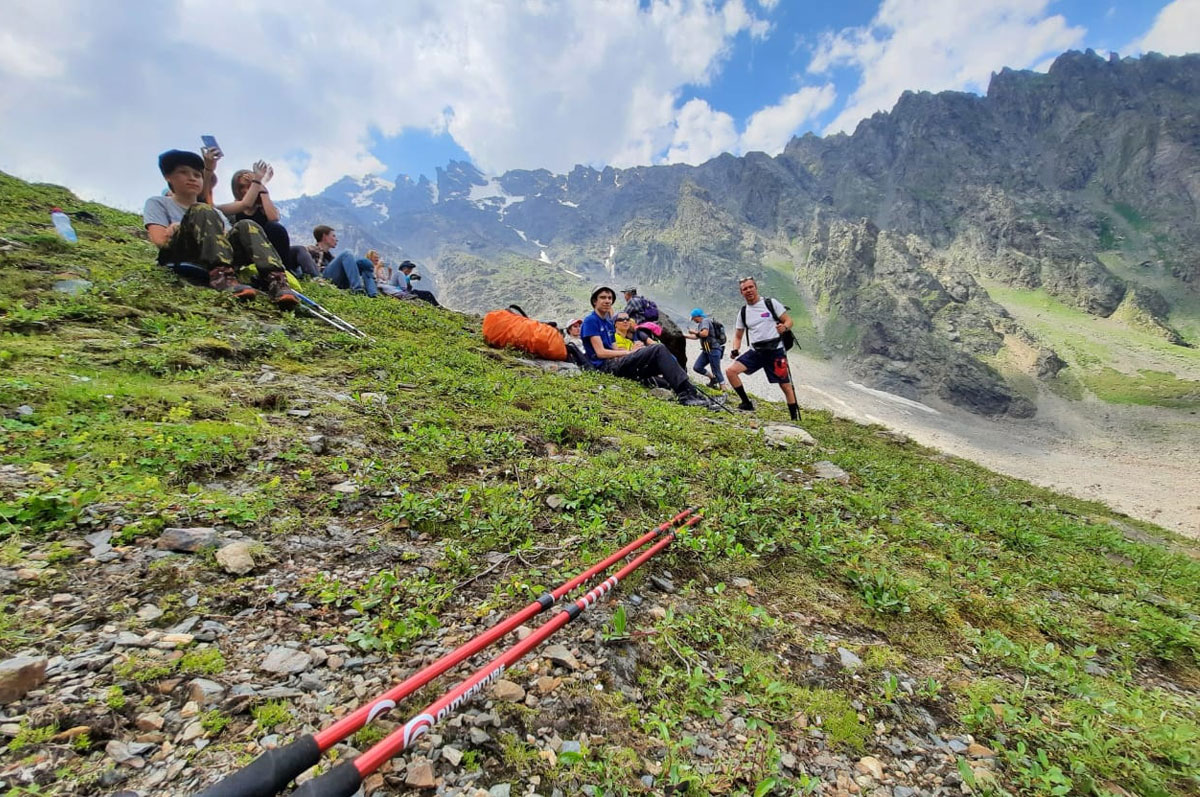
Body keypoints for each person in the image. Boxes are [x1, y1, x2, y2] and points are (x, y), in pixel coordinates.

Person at [143, 148, 297, 309]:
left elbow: (225, 239)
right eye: (183, 173)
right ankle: (222, 277)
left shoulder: (214, 212)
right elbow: (160, 240)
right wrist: (179, 228)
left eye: (197, 175)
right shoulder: (158, 202)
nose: (192, 178)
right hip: (180, 254)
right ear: (168, 177)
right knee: (202, 209)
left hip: (213, 254)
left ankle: (276, 281)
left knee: (247, 225)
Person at [580, 286, 710, 407]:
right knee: (658, 349)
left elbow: (614, 348)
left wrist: (633, 350)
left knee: (659, 359)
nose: (607, 301)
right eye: (603, 298)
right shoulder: (591, 321)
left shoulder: (608, 323)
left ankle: (691, 393)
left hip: (616, 362)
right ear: (594, 301)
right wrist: (628, 353)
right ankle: (685, 396)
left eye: (609, 298)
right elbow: (601, 353)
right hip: (605, 367)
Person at [726, 277, 799, 419]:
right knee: (731, 372)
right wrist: (735, 349)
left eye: (750, 287)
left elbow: (789, 320)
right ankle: (746, 403)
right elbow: (738, 336)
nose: (748, 291)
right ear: (741, 293)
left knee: (785, 385)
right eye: (745, 289)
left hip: (776, 351)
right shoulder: (743, 312)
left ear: (756, 287)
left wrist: (784, 327)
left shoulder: (770, 303)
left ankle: (794, 418)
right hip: (756, 352)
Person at [219, 162, 292, 273]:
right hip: (244, 251)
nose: (246, 190)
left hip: (269, 249)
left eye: (249, 186)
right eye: (242, 187)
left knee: (276, 228)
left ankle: (283, 272)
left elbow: (274, 218)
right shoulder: (232, 210)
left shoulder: (263, 208)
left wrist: (261, 188)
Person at [622, 286, 687, 368]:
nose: (624, 296)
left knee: (641, 344)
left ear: (628, 294)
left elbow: (624, 314)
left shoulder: (632, 301)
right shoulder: (641, 299)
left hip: (639, 326)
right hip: (647, 326)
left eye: (624, 294)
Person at [308, 226, 377, 297]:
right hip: (323, 278)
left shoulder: (330, 257)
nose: (336, 239)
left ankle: (373, 294)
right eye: (333, 236)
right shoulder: (312, 250)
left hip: (338, 280)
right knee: (347, 253)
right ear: (325, 237)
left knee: (365, 262)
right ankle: (357, 290)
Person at [686, 307, 724, 390]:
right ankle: (713, 379)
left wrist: (693, 331)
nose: (693, 320)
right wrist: (684, 336)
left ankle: (724, 390)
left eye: (693, 318)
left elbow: (704, 334)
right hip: (706, 350)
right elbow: (697, 336)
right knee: (697, 367)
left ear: (697, 316)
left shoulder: (705, 321)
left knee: (716, 370)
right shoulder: (701, 324)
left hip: (713, 349)